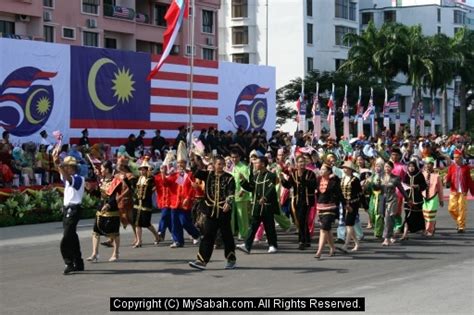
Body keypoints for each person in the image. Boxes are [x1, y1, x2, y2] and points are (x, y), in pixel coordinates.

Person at [189, 156, 236, 270]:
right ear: (214, 165)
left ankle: (231, 259)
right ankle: (202, 261)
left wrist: (228, 203)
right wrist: (193, 159)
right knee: (207, 235)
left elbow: (231, 192)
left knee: (227, 236)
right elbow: (195, 172)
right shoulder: (208, 175)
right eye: (218, 164)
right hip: (210, 211)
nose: (220, 166)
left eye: (222, 163)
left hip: (223, 212)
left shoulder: (229, 178)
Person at [237, 156, 279, 254]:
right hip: (257, 207)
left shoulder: (271, 176)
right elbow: (251, 188)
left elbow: (272, 189)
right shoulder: (256, 176)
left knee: (269, 227)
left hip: (267, 207)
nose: (255, 165)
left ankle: (273, 245)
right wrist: (243, 181)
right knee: (253, 226)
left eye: (256, 163)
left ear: (263, 164)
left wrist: (265, 197)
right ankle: (247, 246)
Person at [52, 151, 85, 275]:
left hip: (74, 209)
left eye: (66, 166)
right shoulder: (68, 178)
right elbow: (62, 174)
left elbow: (67, 177)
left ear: (72, 167)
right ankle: (79, 262)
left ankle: (69, 263)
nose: (65, 168)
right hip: (67, 209)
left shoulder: (78, 179)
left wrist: (60, 165)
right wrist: (56, 160)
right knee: (72, 237)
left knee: (66, 238)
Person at [281, 155, 318, 250]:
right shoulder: (293, 174)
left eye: (303, 162)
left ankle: (301, 240)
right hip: (297, 200)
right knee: (300, 220)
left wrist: (304, 181)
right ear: (296, 164)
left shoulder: (310, 174)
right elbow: (288, 186)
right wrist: (282, 180)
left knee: (302, 220)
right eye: (300, 162)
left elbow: (314, 186)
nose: (302, 164)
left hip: (307, 201)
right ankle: (307, 239)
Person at [167, 143, 201, 248]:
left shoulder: (190, 174)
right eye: (178, 163)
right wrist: (164, 173)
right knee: (175, 222)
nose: (180, 165)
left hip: (185, 202)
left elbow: (192, 188)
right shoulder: (174, 174)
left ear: (185, 163)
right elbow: (166, 184)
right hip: (174, 202)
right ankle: (178, 241)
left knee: (185, 221)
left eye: (182, 163)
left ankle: (196, 234)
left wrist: (188, 198)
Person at [87, 161, 121, 262]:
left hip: (112, 210)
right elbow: (99, 195)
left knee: (114, 233)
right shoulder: (102, 181)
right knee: (95, 232)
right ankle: (94, 253)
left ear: (106, 170)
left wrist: (109, 205)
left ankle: (116, 253)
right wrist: (91, 190)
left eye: (102, 168)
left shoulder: (115, 181)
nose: (100, 170)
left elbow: (115, 197)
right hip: (101, 208)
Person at [313, 163, 343, 259]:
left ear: (329, 171)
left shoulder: (333, 181)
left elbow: (339, 194)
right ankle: (333, 248)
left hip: (330, 208)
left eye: (323, 169)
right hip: (320, 207)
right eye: (321, 169)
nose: (321, 171)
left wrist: (345, 205)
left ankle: (319, 251)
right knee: (328, 230)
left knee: (323, 228)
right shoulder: (318, 180)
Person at [380, 161, 410, 246]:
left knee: (388, 219)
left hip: (392, 200)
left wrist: (408, 199)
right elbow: (377, 187)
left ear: (392, 168)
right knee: (385, 218)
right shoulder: (381, 177)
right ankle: (391, 235)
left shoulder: (396, 178)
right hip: (383, 199)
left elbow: (401, 189)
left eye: (389, 167)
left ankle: (386, 238)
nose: (387, 168)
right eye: (385, 166)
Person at [132, 158, 160, 247]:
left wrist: (151, 192)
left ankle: (156, 235)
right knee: (137, 222)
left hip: (146, 203)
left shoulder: (151, 179)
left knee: (146, 223)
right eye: (140, 170)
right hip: (137, 202)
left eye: (143, 169)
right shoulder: (139, 178)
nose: (141, 171)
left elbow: (157, 186)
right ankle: (139, 241)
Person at [444, 149, 473, 233]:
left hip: (463, 191)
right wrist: (446, 181)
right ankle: (459, 221)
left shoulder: (466, 168)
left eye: (457, 158)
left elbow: (469, 180)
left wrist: (471, 189)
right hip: (454, 190)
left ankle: (461, 226)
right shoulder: (451, 167)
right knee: (451, 209)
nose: (455, 159)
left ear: (461, 158)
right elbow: (448, 177)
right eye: (454, 157)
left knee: (462, 209)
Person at [401, 160, 428, 240]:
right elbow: (403, 186)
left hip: (417, 199)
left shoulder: (419, 175)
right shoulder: (406, 175)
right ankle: (405, 234)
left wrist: (418, 186)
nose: (411, 168)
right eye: (409, 166)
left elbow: (424, 186)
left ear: (415, 167)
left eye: (412, 166)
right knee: (407, 216)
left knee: (418, 215)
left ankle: (423, 230)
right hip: (408, 199)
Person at [340, 160, 362, 252]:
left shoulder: (355, 180)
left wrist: (363, 205)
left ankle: (346, 245)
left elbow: (360, 193)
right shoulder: (342, 179)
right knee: (349, 225)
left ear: (351, 170)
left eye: (347, 168)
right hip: (345, 204)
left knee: (349, 224)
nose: (345, 169)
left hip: (353, 204)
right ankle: (356, 243)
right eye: (344, 168)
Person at [230, 149, 251, 240]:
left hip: (241, 196)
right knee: (232, 216)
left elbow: (247, 180)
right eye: (233, 157)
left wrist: (242, 191)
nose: (234, 159)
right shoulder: (231, 167)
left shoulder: (244, 167)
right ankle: (233, 231)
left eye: (236, 157)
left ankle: (244, 233)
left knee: (242, 216)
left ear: (239, 157)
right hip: (232, 195)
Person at [422, 157, 444, 237]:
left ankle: (430, 230)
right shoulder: (422, 174)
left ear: (432, 165)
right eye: (426, 164)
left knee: (431, 213)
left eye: (430, 164)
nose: (428, 165)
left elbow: (440, 189)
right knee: (425, 214)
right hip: (424, 196)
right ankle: (428, 227)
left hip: (433, 197)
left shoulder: (436, 175)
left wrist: (441, 200)